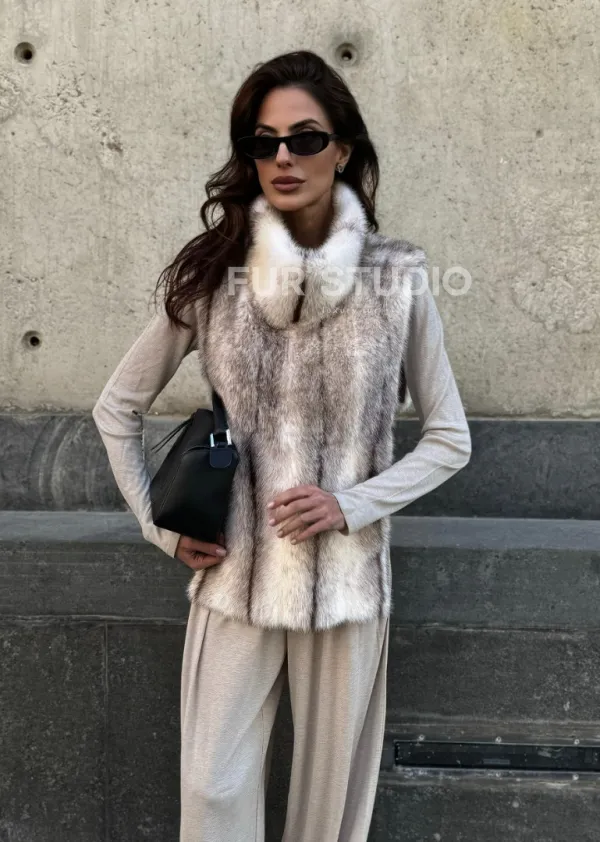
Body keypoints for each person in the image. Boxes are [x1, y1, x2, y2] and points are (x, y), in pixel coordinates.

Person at [92, 49, 471, 842]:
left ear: (344, 149)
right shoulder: (214, 276)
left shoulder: (398, 277)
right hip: (235, 572)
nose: (284, 158)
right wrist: (159, 528)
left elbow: (449, 438)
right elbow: (116, 408)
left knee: (330, 812)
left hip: (347, 580)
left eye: (305, 138)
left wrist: (350, 504)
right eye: (263, 143)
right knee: (213, 789)